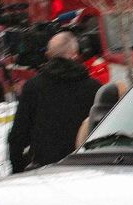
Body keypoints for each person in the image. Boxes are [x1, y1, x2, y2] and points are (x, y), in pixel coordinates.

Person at [7, 31, 100, 173]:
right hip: (84, 169)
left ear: (49, 55)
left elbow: (18, 136)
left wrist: (18, 171)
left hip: (44, 170)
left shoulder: (34, 87)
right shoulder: (94, 87)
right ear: (75, 54)